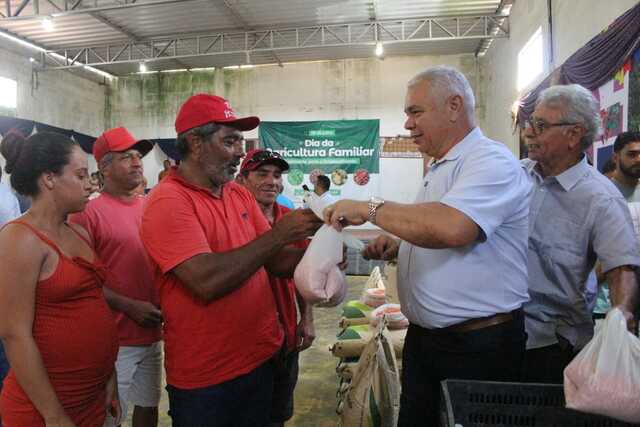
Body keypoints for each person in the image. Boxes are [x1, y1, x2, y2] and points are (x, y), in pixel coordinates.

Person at [324, 66, 532, 426]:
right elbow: (434, 228)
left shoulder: (490, 161)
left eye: (415, 112)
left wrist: (369, 208)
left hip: (478, 347)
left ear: (454, 106)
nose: (408, 124)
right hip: (428, 342)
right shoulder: (440, 168)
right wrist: (401, 246)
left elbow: (454, 227)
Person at [140, 93, 323, 426]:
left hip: (259, 358)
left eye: (240, 141)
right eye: (230, 141)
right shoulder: (169, 202)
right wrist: (279, 235)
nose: (240, 151)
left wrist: (320, 254)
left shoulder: (236, 193)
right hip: (208, 377)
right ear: (196, 144)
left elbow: (274, 262)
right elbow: (205, 281)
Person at [521, 85, 640, 383]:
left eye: (541, 125)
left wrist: (622, 312)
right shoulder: (516, 175)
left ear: (573, 135)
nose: (528, 132)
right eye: (531, 122)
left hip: (553, 346)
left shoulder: (600, 198)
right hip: (501, 334)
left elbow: (621, 268)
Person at [0, 131, 119, 426]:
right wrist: (53, 415)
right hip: (46, 408)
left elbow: (94, 306)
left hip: (91, 397)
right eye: (80, 175)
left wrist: (109, 376)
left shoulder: (78, 232)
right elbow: (15, 335)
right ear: (49, 178)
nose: (90, 184)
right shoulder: (20, 239)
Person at [69, 127, 161, 427]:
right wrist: (128, 305)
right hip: (114, 340)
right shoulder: (87, 213)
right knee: (111, 415)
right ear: (105, 167)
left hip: (152, 334)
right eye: (126, 157)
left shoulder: (150, 207)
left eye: (138, 156)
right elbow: (80, 280)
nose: (137, 163)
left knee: (149, 405)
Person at [235, 149, 314, 427]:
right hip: (244, 338)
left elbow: (303, 274)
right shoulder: (234, 219)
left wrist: (307, 318)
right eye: (262, 174)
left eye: (277, 175)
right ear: (242, 179)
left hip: (285, 332)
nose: (272, 181)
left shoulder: (292, 219)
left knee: (278, 413)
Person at [593, 131, 640, 320]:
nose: (638, 159)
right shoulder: (600, 193)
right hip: (606, 301)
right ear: (615, 157)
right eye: (632, 154)